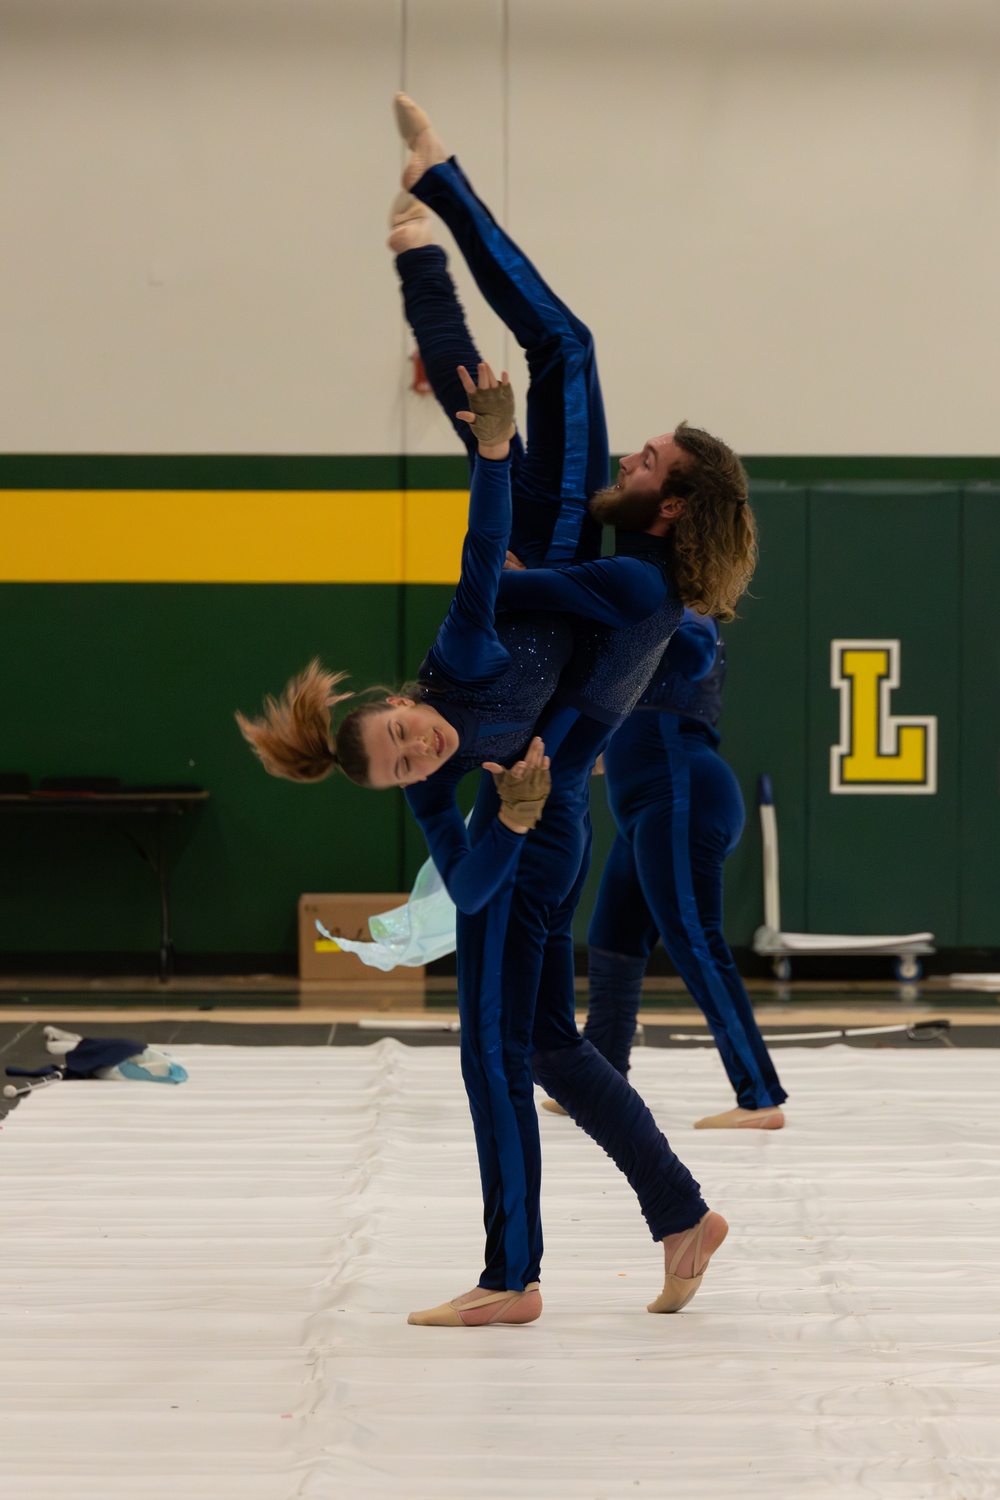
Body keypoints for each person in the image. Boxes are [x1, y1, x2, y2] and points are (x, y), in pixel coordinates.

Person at [240, 94, 756, 1324]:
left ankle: (522, 1270)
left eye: (648, 467)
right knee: (535, 1043)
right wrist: (515, 813)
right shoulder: (600, 586)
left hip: (539, 646)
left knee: (512, 1046)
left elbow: (491, 561)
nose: (633, 456)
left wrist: (425, 250)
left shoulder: (540, 612)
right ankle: (670, 1216)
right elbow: (458, 869)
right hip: (540, 801)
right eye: (408, 758)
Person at [575, 609, 788, 1128]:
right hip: (652, 810)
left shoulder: (685, 619)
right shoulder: (645, 633)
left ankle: (759, 1095)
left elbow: (694, 649)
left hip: (682, 802)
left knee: (696, 944)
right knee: (613, 937)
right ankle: (598, 1078)